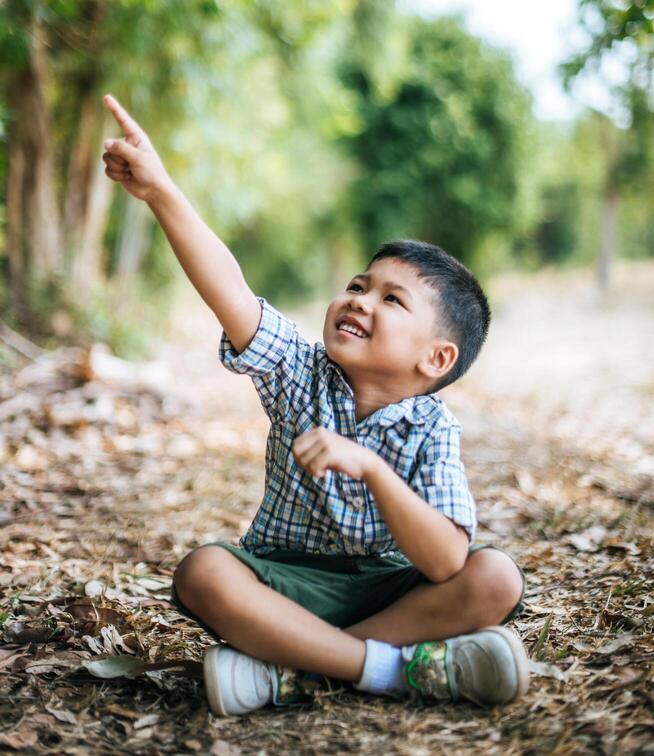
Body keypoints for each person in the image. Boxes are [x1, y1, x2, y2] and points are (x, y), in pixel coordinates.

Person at [101, 92, 529, 718]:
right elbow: (232, 290)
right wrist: (162, 192)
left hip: (390, 595)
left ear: (436, 359)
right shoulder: (299, 371)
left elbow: (444, 561)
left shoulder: (432, 428)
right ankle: (386, 670)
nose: (359, 299)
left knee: (495, 578)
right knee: (204, 574)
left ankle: (291, 673)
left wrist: (374, 470)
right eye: (358, 285)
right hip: (284, 583)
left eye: (392, 300)